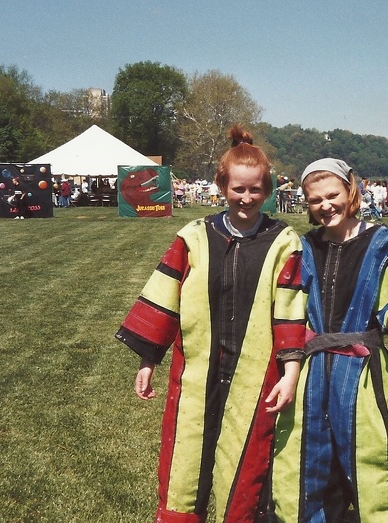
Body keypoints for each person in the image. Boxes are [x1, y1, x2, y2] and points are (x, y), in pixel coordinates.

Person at [114, 124, 306, 523]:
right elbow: (164, 299)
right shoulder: (195, 238)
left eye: (256, 190)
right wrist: (148, 360)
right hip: (198, 372)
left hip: (255, 375)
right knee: (185, 462)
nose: (247, 198)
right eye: (238, 189)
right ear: (222, 186)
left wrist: (290, 372)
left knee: (247, 465)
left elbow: (289, 311)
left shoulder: (284, 242)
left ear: (267, 190)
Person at [273, 158, 388, 522]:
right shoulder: (302, 248)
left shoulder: (385, 244)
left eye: (332, 195)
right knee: (307, 464)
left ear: (350, 190)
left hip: (363, 375)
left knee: (372, 466)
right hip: (310, 373)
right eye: (315, 200)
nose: (325, 206)